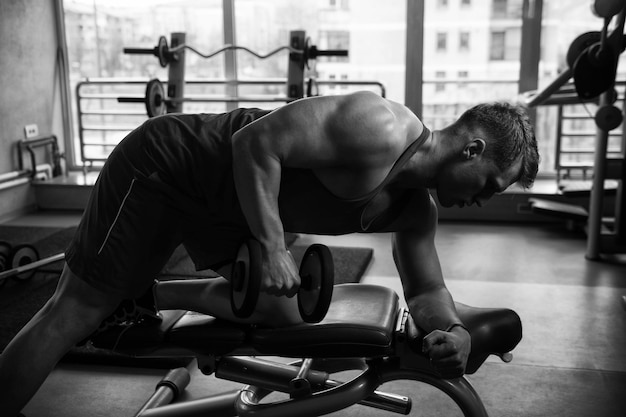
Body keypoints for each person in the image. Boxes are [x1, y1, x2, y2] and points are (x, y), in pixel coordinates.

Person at [0, 91, 539, 416]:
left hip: (224, 208)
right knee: (73, 312)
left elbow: (425, 291)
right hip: (169, 166)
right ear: (472, 148)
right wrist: (270, 246)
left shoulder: (417, 211)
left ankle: (150, 291)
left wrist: (453, 333)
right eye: (490, 183)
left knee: (283, 310)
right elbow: (254, 144)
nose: (482, 199)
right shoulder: (382, 127)